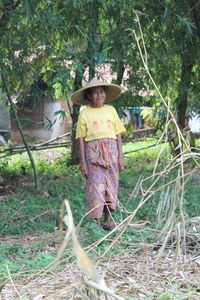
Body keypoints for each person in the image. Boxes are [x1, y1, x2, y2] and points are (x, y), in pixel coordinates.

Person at [71, 78, 126, 231]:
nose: (98, 95)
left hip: (112, 153)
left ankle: (107, 220)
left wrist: (121, 156)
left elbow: (118, 134)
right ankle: (97, 223)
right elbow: (81, 139)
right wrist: (83, 162)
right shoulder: (85, 113)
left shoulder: (111, 110)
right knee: (95, 186)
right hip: (93, 155)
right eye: (94, 93)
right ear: (89, 96)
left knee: (111, 186)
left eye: (101, 92)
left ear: (105, 95)